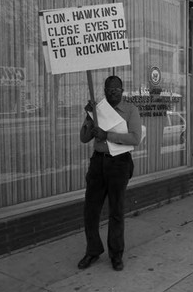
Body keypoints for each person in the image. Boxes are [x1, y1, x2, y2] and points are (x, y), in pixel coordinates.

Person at [78, 75, 142, 271]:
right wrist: (90, 116)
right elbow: (84, 138)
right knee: (91, 210)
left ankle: (116, 254)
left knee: (116, 210)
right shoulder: (99, 110)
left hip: (119, 164)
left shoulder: (131, 110)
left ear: (122, 90)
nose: (112, 92)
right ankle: (93, 250)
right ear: (104, 90)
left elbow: (135, 138)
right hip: (98, 163)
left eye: (116, 89)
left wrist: (108, 136)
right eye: (109, 89)